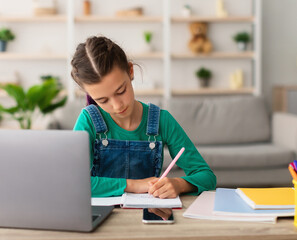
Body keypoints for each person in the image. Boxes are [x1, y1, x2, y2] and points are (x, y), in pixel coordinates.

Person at [71, 36, 216, 198]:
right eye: (102, 100)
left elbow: (207, 176)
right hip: (102, 217)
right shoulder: (88, 121)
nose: (117, 105)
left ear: (130, 71)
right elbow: (73, 182)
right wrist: (132, 185)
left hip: (148, 215)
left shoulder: (162, 120)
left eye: (121, 91)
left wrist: (179, 184)